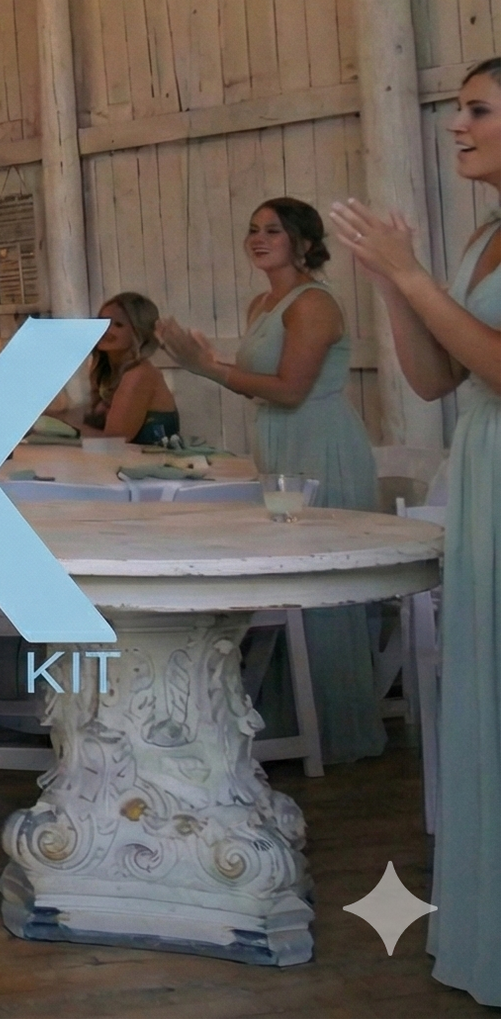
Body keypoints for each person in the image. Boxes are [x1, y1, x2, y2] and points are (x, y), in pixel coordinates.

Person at [327, 57, 501, 1006]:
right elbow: (439, 381)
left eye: (478, 109)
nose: (457, 125)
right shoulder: (484, 236)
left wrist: (410, 270)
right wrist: (392, 284)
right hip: (480, 466)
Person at [157, 199, 385, 767]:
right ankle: (290, 720)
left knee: (319, 580)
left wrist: (206, 367)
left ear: (304, 241)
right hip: (279, 441)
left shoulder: (313, 303)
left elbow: (290, 389)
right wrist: (206, 362)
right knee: (285, 570)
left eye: (273, 231)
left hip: (321, 441)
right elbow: (260, 388)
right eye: (253, 230)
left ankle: (335, 731)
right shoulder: (264, 301)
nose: (258, 239)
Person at [56, 292, 178, 442]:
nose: (106, 330)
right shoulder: (105, 372)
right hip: (127, 461)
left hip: (159, 462)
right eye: (103, 321)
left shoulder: (139, 373)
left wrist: (61, 425)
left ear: (139, 332)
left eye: (118, 325)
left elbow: (116, 439)